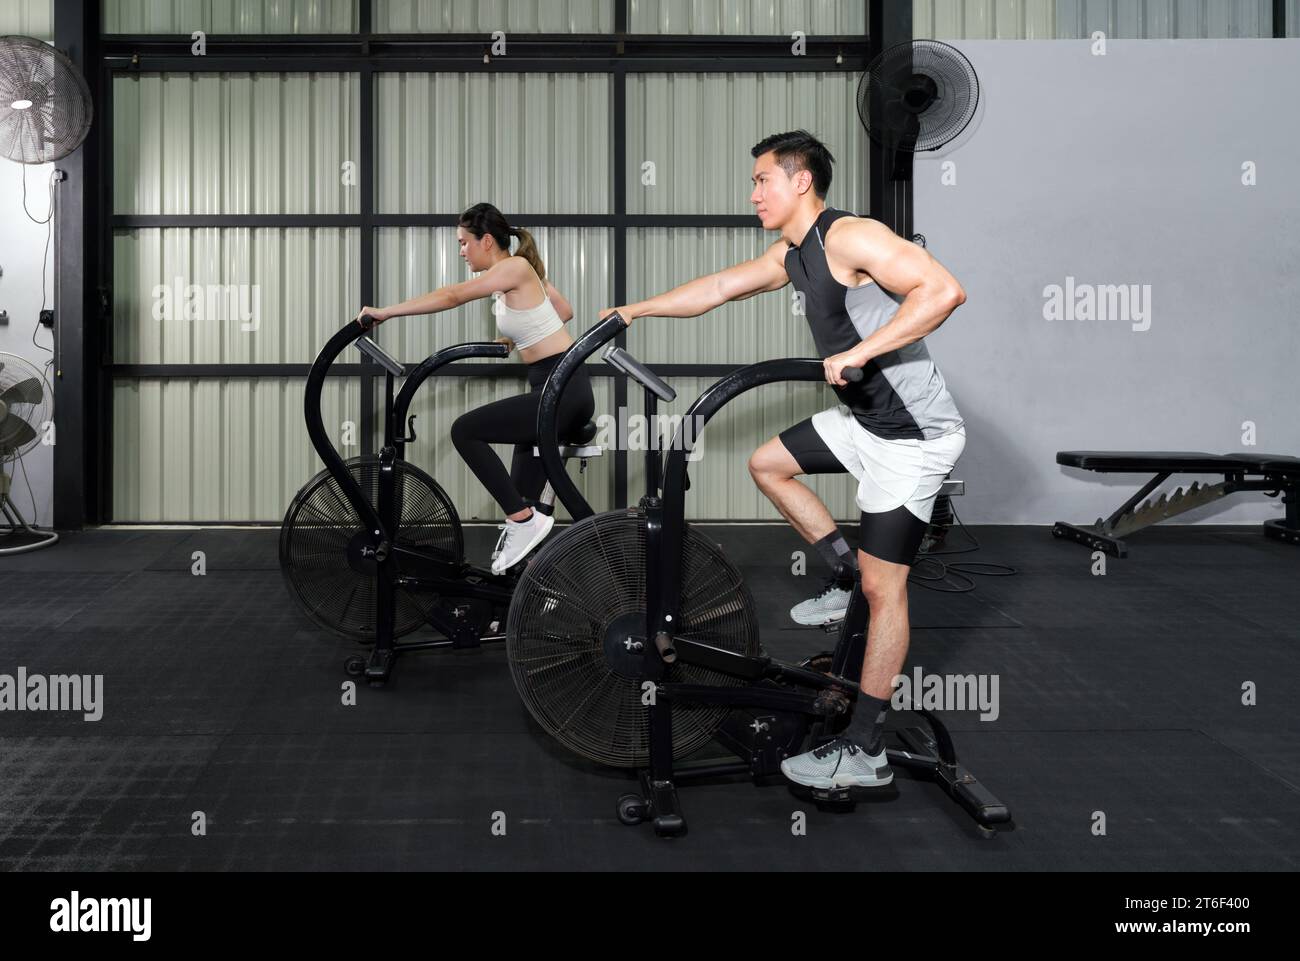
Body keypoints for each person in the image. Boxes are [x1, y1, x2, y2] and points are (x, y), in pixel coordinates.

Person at [600, 130, 967, 791]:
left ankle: (865, 751)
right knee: (769, 463)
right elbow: (717, 287)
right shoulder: (793, 255)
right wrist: (635, 310)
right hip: (865, 421)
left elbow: (942, 291)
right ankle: (843, 571)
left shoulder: (849, 236)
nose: (752, 194)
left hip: (911, 436)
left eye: (762, 180)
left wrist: (862, 351)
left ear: (801, 182)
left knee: (889, 594)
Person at [357, 202, 595, 574]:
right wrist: (519, 337)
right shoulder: (519, 274)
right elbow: (564, 311)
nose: (461, 251)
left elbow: (451, 296)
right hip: (551, 390)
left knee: (465, 431)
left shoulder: (514, 268)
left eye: (464, 243)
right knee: (522, 496)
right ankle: (527, 583)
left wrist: (387, 313)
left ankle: (522, 521)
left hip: (562, 392)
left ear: (486, 241)